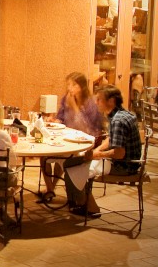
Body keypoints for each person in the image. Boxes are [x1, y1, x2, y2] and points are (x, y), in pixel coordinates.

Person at [61, 85, 143, 218]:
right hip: (129, 162)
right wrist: (97, 150)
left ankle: (88, 207)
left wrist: (95, 155)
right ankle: (78, 202)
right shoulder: (124, 114)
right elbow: (113, 139)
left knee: (73, 167)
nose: (96, 102)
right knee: (73, 163)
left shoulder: (118, 120)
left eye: (99, 99)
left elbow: (119, 153)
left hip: (124, 165)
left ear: (110, 101)